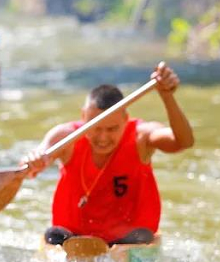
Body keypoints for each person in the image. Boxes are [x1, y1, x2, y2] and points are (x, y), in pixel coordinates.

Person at [22, 62, 194, 246]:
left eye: (112, 129)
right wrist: (34, 162)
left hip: (129, 238)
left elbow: (183, 142)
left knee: (140, 237)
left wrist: (167, 96)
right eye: (95, 128)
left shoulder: (141, 136)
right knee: (54, 235)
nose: (102, 138)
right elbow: (32, 164)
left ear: (125, 119)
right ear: (83, 117)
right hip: (72, 237)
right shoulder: (66, 137)